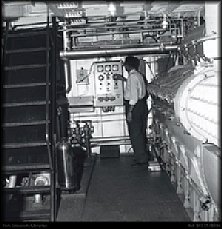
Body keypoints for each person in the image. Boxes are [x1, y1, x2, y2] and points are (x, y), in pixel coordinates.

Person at [114, 56, 148, 166]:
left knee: (135, 133)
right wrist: (123, 79)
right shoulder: (138, 75)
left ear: (129, 65)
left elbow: (133, 96)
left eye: (125, 65)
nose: (124, 67)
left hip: (134, 106)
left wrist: (130, 112)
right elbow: (137, 88)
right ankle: (142, 155)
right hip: (142, 105)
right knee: (140, 131)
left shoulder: (132, 77)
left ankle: (140, 159)